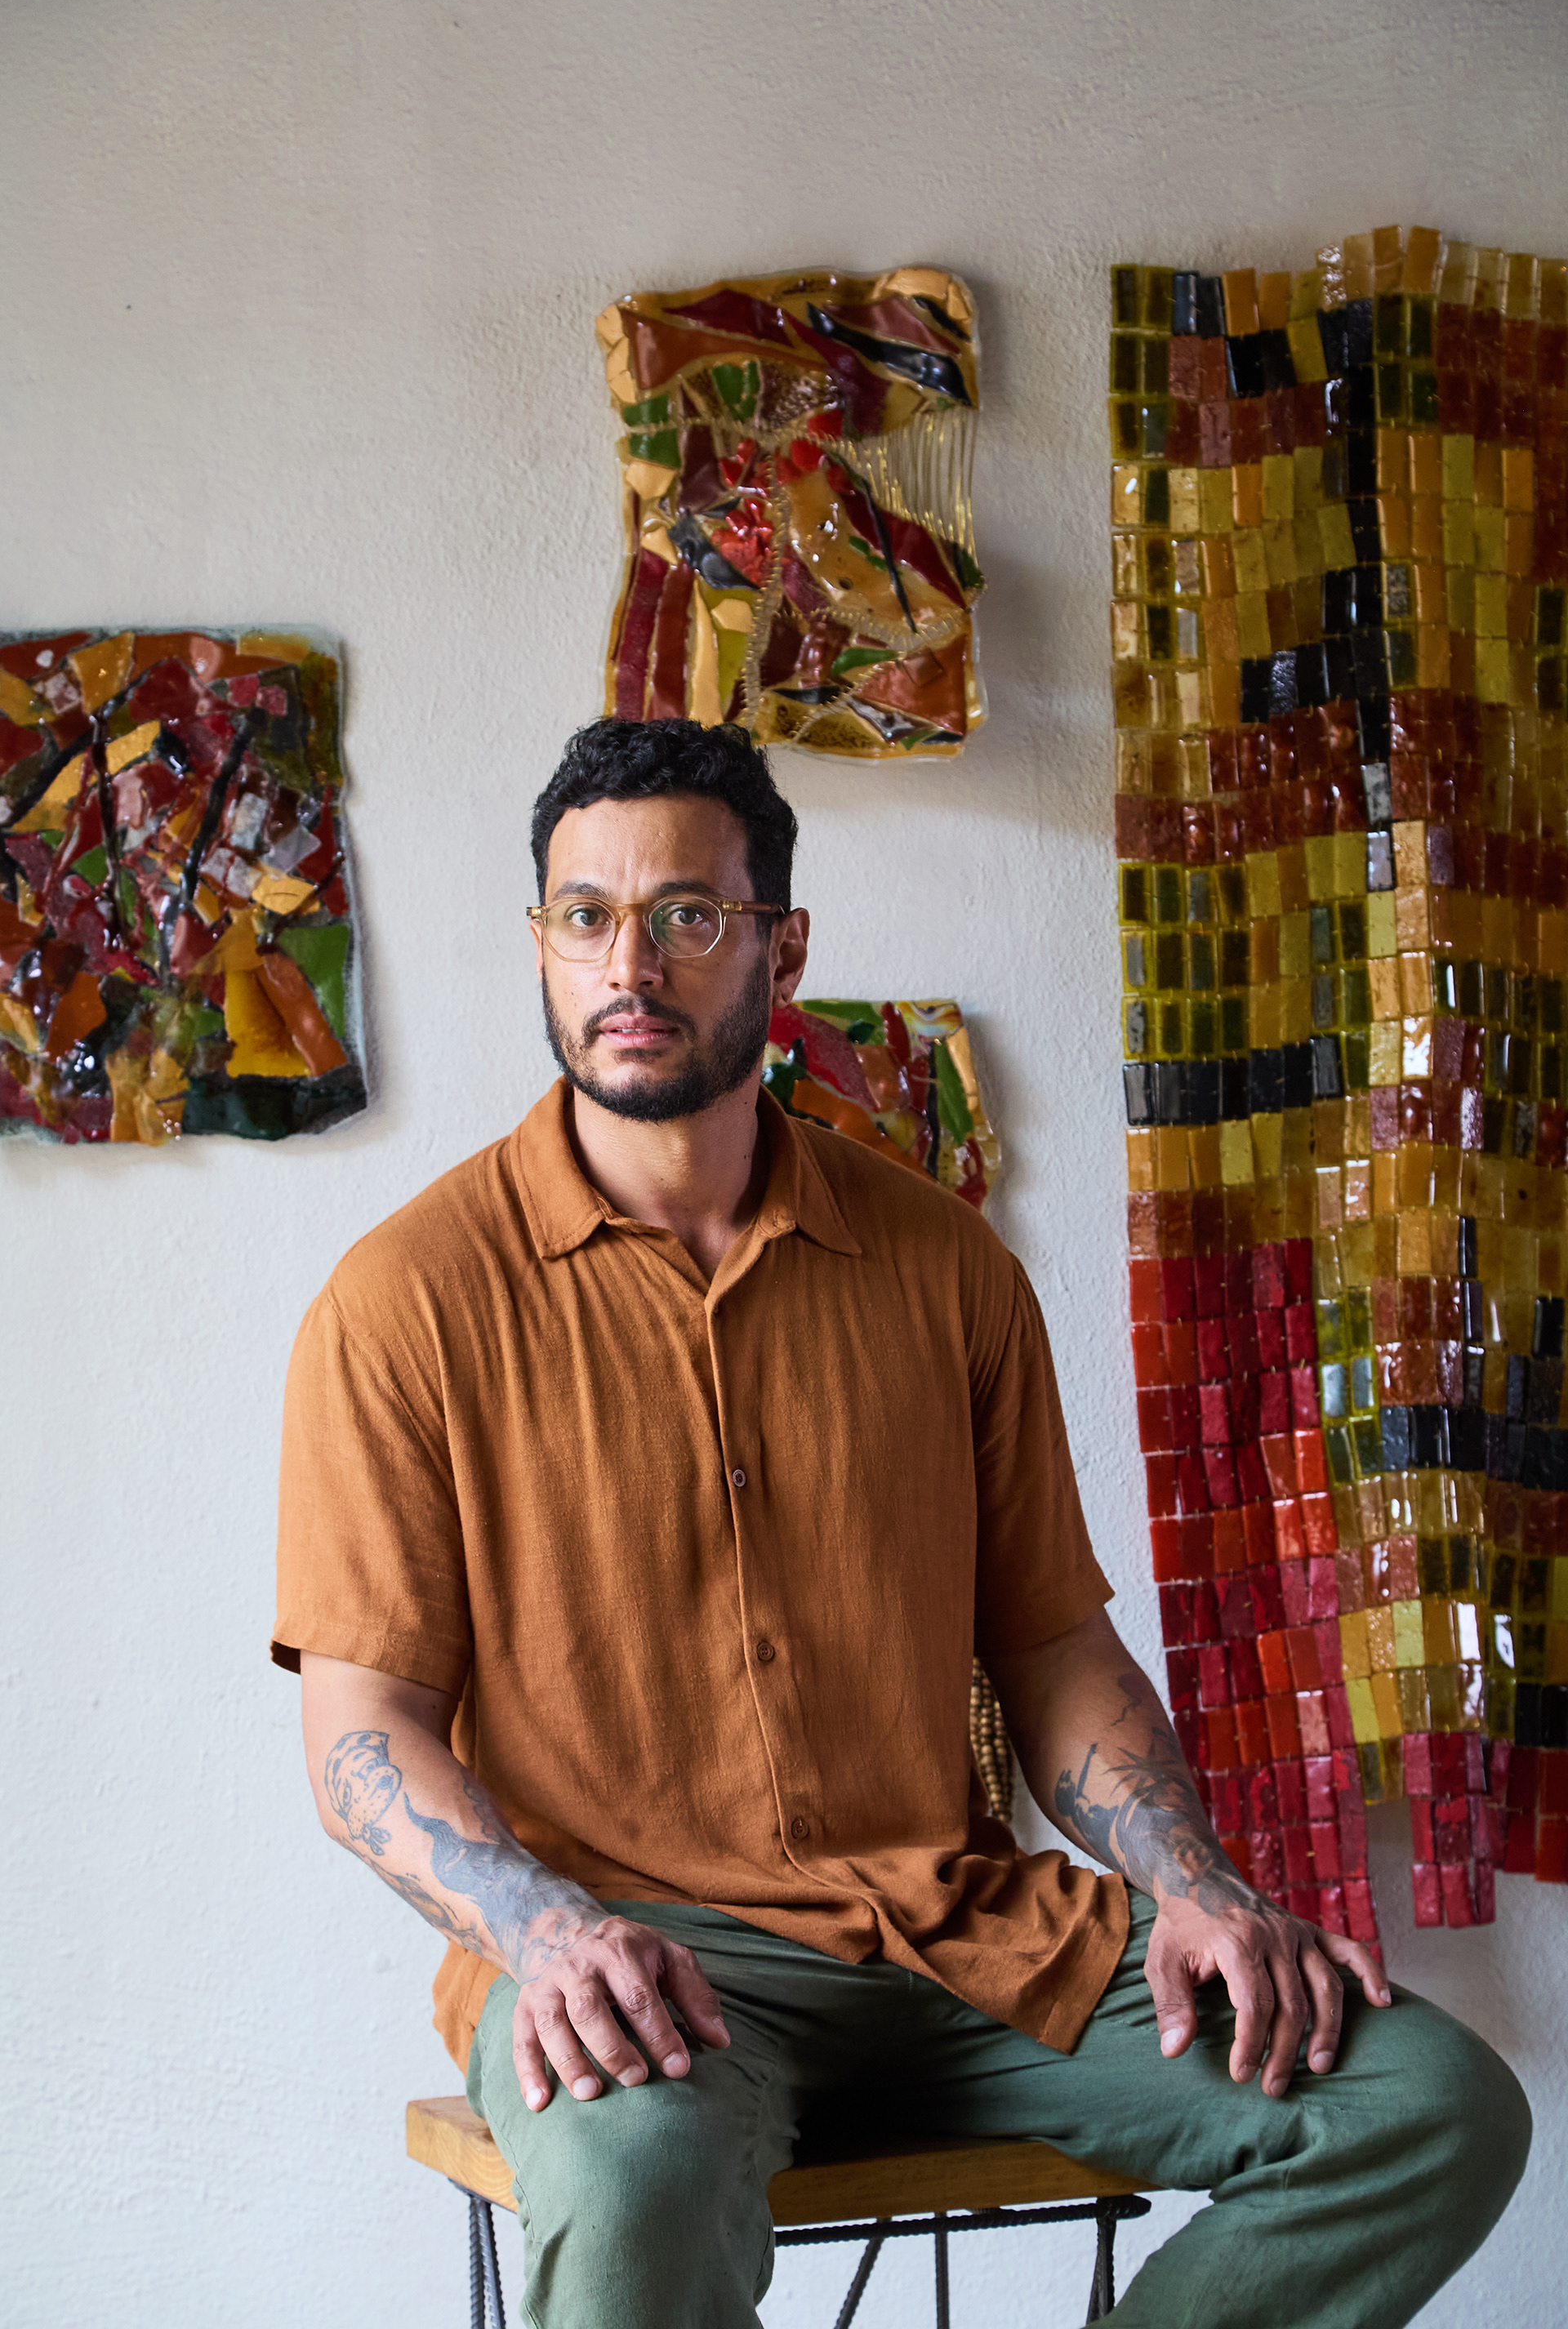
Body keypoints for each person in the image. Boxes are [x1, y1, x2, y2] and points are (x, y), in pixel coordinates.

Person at [274, 718, 1530, 2329]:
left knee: (1427, 2104)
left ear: (784, 948)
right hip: (642, 1959)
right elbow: (361, 1734)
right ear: (540, 943)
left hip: (968, 1935)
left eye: (687, 914)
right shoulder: (404, 1304)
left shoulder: (947, 1271)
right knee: (636, 2181)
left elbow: (1055, 1652)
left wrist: (1197, 1880)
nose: (628, 965)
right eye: (586, 916)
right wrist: (546, 1928)